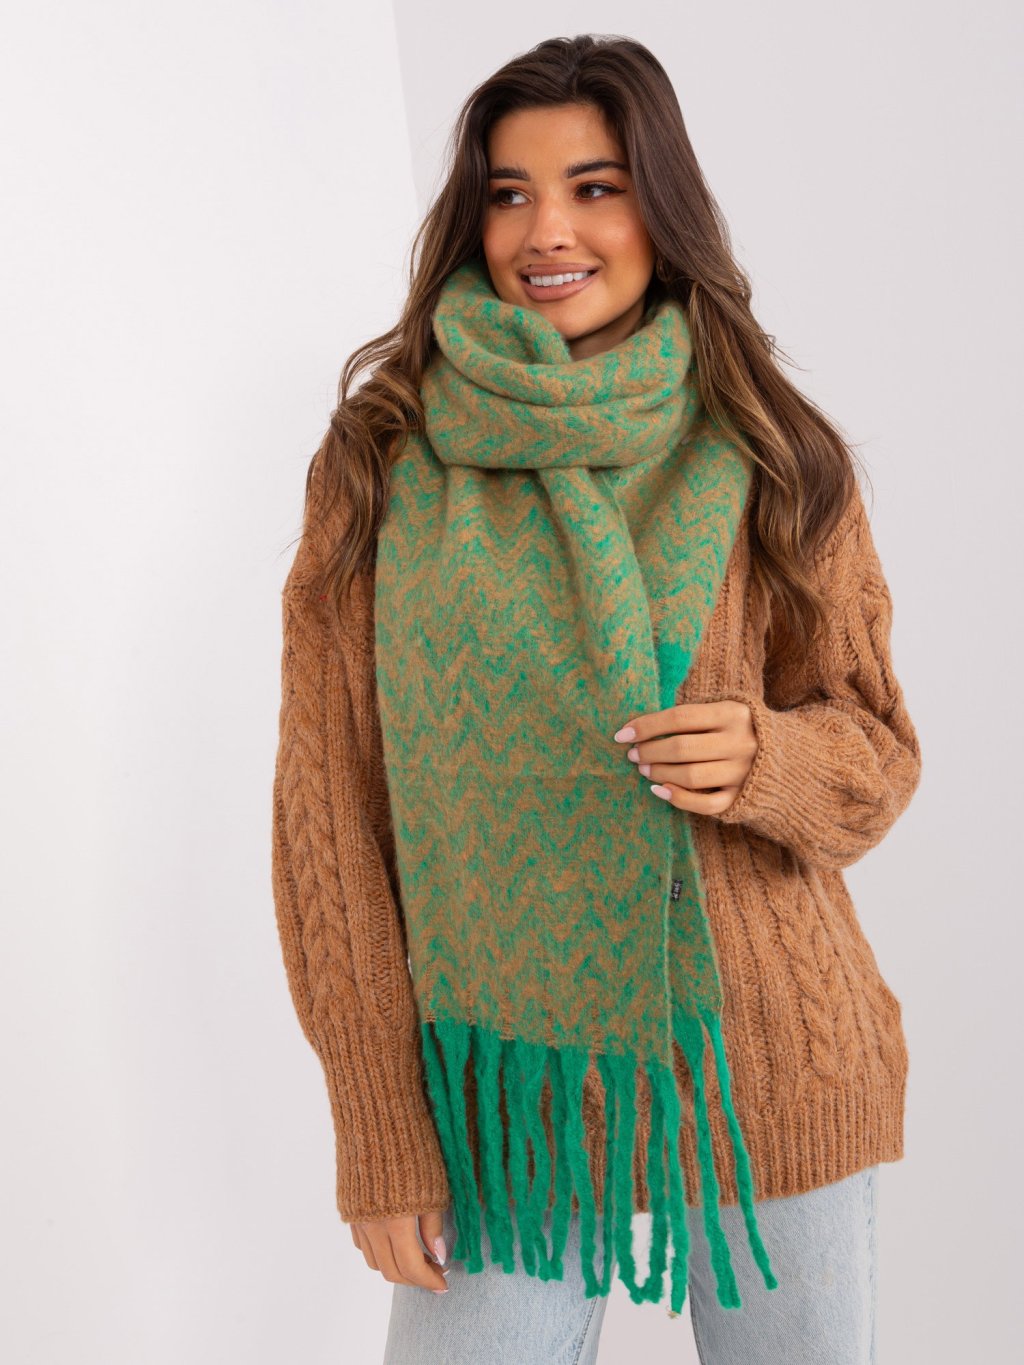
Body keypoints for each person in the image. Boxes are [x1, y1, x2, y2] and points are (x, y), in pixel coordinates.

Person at [270, 33, 921, 1365]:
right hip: (506, 1100)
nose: (546, 231)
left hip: (771, 1065)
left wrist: (768, 761)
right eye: (508, 193)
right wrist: (379, 1128)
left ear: (661, 206)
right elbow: (328, 814)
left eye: (595, 186)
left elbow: (878, 754)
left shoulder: (771, 450)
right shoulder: (383, 459)